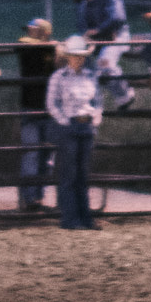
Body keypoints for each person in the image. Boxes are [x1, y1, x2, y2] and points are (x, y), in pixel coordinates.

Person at [46, 35, 103, 231]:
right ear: (68, 57)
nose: (78, 59)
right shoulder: (59, 78)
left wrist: (95, 118)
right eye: (74, 56)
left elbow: (98, 101)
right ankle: (71, 218)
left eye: (81, 56)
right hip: (69, 126)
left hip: (86, 126)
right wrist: (65, 121)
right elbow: (52, 104)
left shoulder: (90, 76)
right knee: (70, 174)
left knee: (82, 174)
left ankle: (84, 218)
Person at [73, 0, 133, 109]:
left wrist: (99, 30)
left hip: (117, 35)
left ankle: (125, 95)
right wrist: (86, 37)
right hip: (99, 40)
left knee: (105, 65)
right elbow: (83, 27)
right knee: (85, 68)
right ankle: (93, 106)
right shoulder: (83, 3)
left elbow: (118, 17)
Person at [16, 18, 58, 211]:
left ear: (44, 32)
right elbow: (21, 44)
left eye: (34, 29)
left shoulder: (53, 51)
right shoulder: (27, 47)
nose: (29, 32)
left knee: (45, 156)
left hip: (48, 109)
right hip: (32, 107)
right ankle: (29, 198)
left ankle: (37, 197)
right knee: (32, 154)